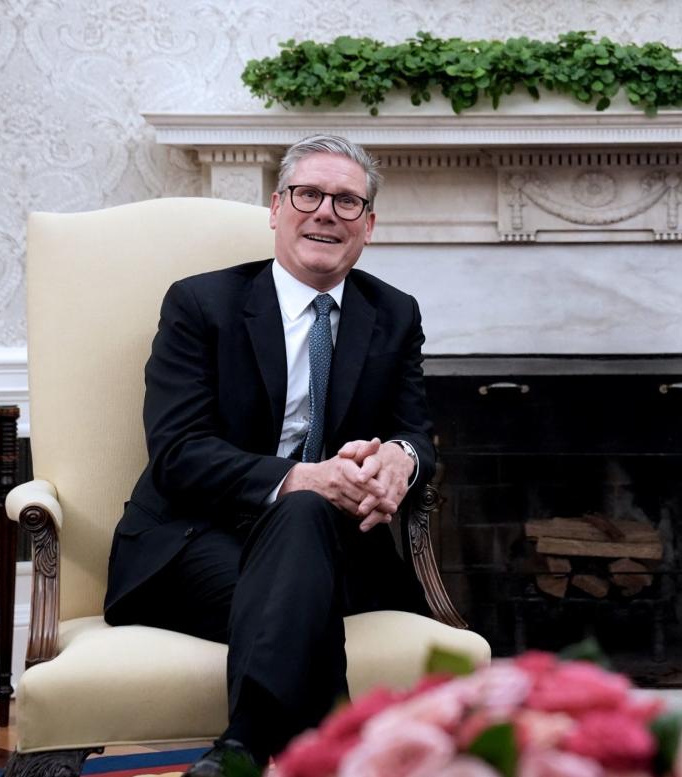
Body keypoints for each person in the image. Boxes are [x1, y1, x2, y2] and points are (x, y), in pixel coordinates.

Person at [103, 134, 436, 776]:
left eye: (346, 201)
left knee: (306, 527)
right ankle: (324, 753)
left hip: (332, 548)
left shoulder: (394, 313)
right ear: (277, 208)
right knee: (303, 557)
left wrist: (401, 458)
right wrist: (300, 478)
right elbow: (177, 452)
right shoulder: (202, 305)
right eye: (309, 194)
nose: (325, 212)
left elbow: (416, 434)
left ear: (368, 225)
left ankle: (244, 748)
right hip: (192, 542)